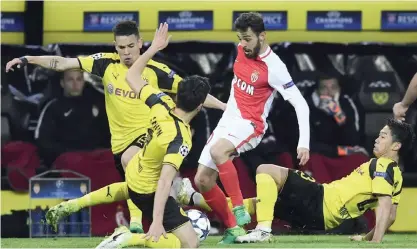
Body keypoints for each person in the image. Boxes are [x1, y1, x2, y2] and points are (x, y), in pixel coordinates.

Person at [5, 21, 225, 233]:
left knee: (132, 162)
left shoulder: (156, 71)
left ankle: (138, 222)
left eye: (131, 46)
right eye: (121, 47)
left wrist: (225, 107)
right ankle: (195, 197)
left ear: (140, 43)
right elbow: (63, 63)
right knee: (136, 186)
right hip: (119, 142)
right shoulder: (105, 64)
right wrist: (28, 58)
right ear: (115, 46)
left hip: (150, 137)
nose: (126, 52)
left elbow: (194, 93)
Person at [193, 12, 310, 243]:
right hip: (229, 119)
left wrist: (304, 143)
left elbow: (301, 104)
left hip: (250, 124)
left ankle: (238, 210)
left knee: (218, 151)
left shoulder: (275, 67)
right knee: (202, 180)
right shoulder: (239, 49)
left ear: (262, 36)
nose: (243, 44)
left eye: (248, 39)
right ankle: (234, 228)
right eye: (240, 38)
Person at [232, 118, 414, 243]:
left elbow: (384, 205)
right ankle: (210, 208)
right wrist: (366, 238)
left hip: (321, 200)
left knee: (265, 169)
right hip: (320, 220)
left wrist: (375, 241)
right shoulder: (396, 175)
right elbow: (391, 216)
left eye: (383, 136)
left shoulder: (383, 165)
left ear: (396, 146)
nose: (376, 139)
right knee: (263, 201)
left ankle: (262, 230)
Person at [35, 69, 109, 166]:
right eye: (70, 80)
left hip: (94, 156)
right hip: (66, 158)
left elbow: (108, 135)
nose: (75, 84)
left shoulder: (96, 105)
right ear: (62, 83)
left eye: (79, 79)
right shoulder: (53, 108)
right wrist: (64, 152)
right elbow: (43, 141)